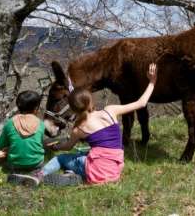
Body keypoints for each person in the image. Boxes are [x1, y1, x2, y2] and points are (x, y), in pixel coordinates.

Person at [10, 63, 157, 186]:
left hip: (96, 170)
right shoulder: (111, 110)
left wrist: (55, 147)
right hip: (115, 170)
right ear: (90, 100)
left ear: (73, 109)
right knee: (84, 153)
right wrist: (152, 81)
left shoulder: (79, 128)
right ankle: (72, 175)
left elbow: (67, 147)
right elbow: (141, 102)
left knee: (61, 159)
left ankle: (39, 175)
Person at [0, 90, 45, 176]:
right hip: (37, 163)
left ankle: (16, 172)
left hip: (14, 164)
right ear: (36, 108)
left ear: (18, 106)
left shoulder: (10, 123)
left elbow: (1, 144)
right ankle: (33, 173)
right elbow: (39, 142)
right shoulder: (40, 123)